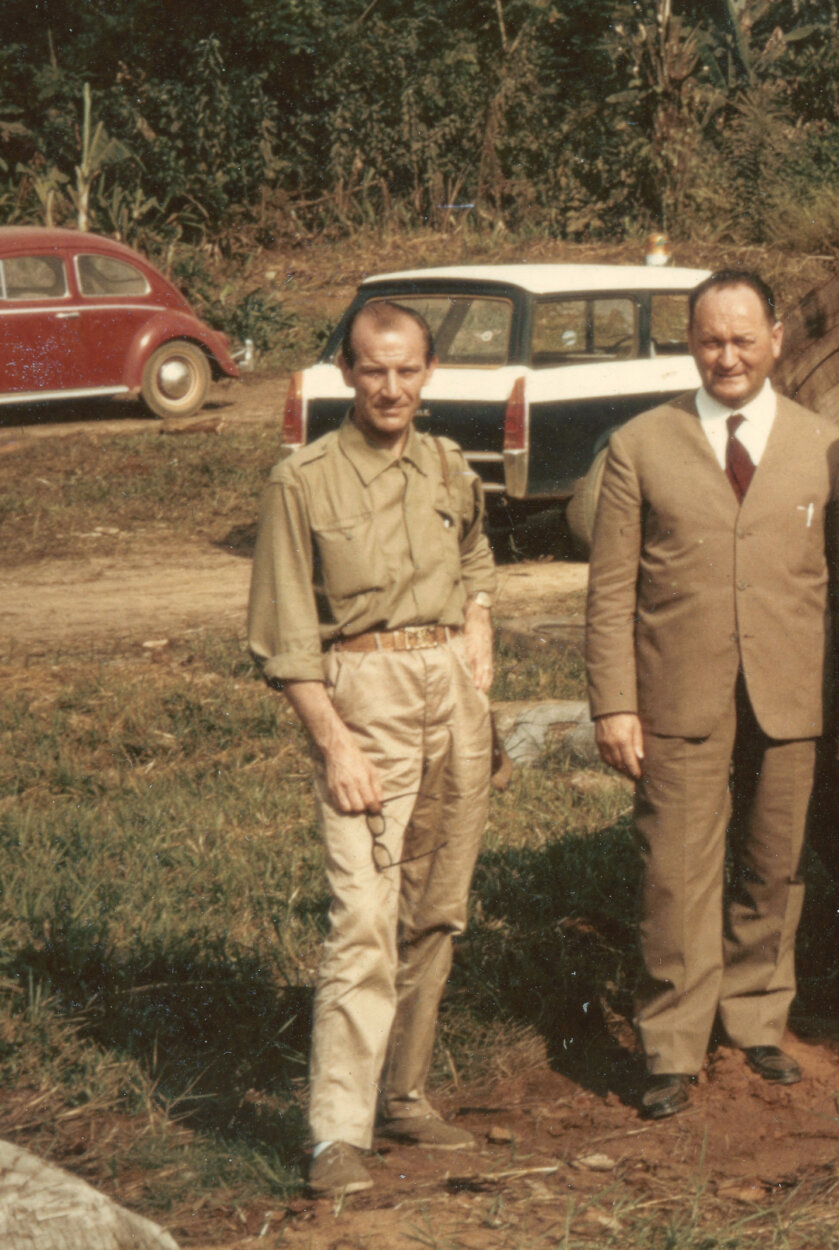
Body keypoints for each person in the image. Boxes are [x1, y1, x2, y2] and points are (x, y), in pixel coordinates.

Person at [584, 269, 839, 1120]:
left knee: (774, 866)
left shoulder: (827, 447)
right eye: (711, 340)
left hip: (792, 696)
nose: (728, 356)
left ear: (776, 340)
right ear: (691, 342)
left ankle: (756, 1018)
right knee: (675, 872)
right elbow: (609, 591)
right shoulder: (641, 446)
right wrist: (614, 701)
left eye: (743, 339)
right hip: (677, 694)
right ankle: (672, 1046)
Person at [248, 300, 497, 1197]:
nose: (390, 387)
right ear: (346, 374)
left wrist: (478, 631)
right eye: (372, 369)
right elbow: (284, 640)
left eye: (406, 370)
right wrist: (335, 745)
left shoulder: (446, 464)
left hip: (450, 700)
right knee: (362, 918)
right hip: (363, 703)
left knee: (437, 907)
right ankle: (334, 1138)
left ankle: (403, 1094)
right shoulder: (302, 482)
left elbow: (475, 555)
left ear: (427, 373)